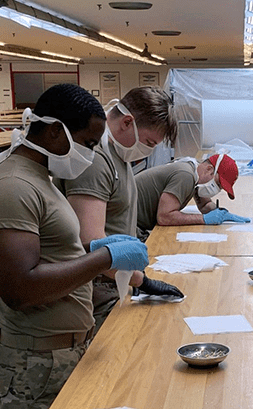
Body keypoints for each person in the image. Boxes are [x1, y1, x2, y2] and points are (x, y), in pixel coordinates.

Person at [0, 84, 149, 409]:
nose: (90, 154)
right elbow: (20, 287)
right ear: (55, 131)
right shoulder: (13, 187)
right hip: (30, 365)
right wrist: (104, 257)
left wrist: (94, 254)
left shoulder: (43, 180)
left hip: (58, 355)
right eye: (87, 142)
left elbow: (52, 255)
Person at [55, 86, 183, 331]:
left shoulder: (118, 156)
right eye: (148, 142)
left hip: (116, 280)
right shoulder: (95, 161)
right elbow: (90, 244)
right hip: (97, 291)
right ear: (127, 122)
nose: (148, 150)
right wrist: (141, 280)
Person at [134, 153, 249, 241]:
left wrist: (219, 212)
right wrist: (204, 219)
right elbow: (164, 217)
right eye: (218, 184)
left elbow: (204, 205)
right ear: (209, 169)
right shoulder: (186, 175)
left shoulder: (194, 171)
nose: (217, 189)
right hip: (129, 226)